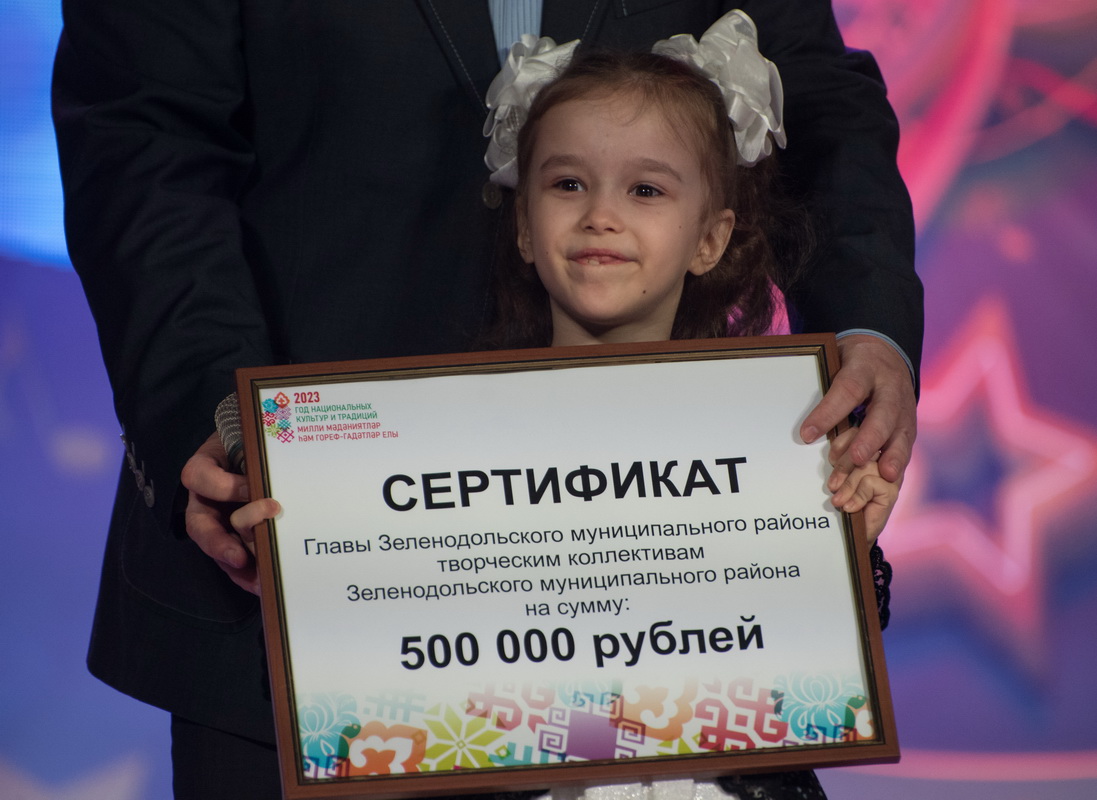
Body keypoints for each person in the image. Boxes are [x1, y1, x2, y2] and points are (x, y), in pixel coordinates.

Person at [52, 2, 919, 797]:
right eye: (567, 185)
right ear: (524, 222)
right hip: (293, 584)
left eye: (645, 190)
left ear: (713, 235)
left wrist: (870, 333)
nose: (598, 218)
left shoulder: (761, 476)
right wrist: (221, 414)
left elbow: (815, 97)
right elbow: (142, 134)